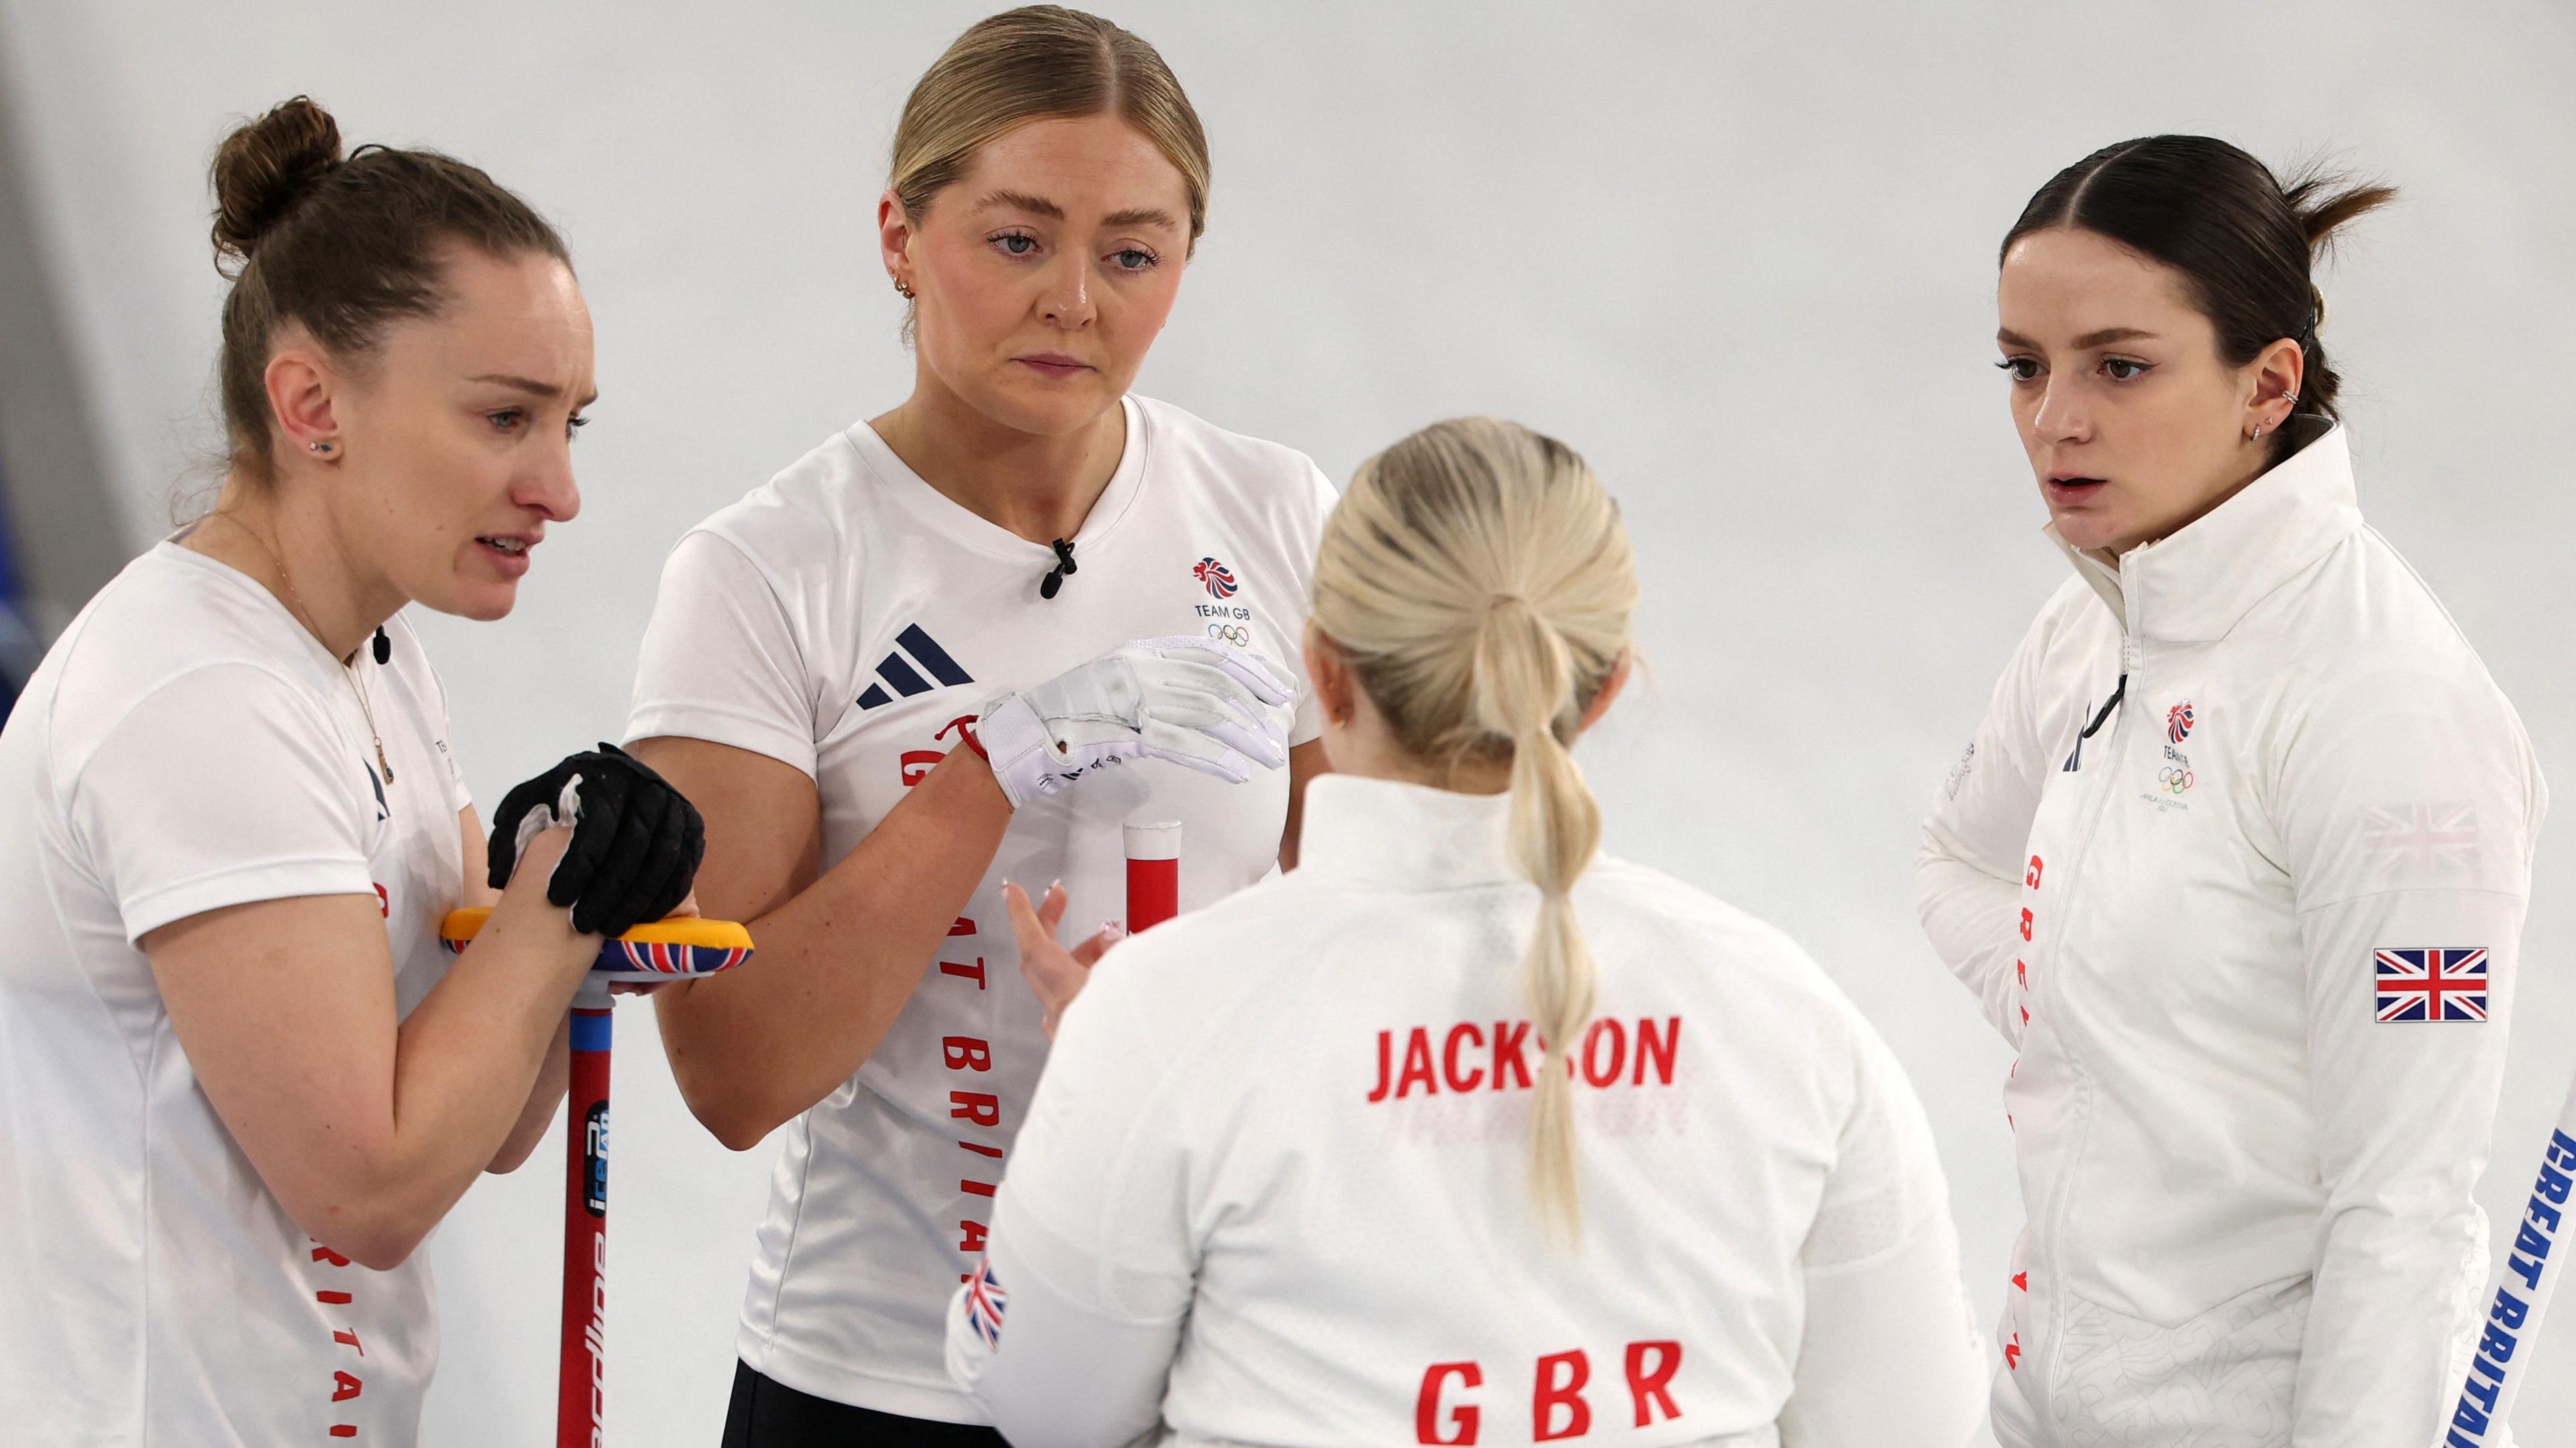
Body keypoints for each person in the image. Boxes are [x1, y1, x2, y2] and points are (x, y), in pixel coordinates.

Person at [943, 417, 1990, 1447]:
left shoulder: (1164, 1016)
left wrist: (1116, 1077)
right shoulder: (1788, 1016)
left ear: (1327, 669)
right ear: (1609, 682)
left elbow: (1046, 1407)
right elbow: (1916, 1426)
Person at [623, 9, 1337, 1442]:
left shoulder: (1277, 515)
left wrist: (1167, 1045)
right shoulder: (768, 569)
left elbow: (1367, 947)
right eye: (1017, 239)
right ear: (900, 235)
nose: (1075, 299)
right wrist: (998, 766)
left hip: (1221, 1372)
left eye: (1132, 253)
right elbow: (737, 1071)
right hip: (879, 1382)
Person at [0, 97, 700, 1445]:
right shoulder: (200, 695)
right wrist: (550, 910)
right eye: (507, 418)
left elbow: (474, 1124)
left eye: (573, 424)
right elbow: (368, 1188)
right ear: (312, 402)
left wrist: (569, 887)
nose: (558, 487)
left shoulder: (365, 659)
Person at [1917, 135, 2546, 1446]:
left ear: (2269, 384)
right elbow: (1959, 864)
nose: (2056, 419)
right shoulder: (2091, 628)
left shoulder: (2385, 708)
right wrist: (2086, 1012)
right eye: (2024, 367)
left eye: (2120, 366)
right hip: (2041, 1404)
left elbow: (2406, 1209)